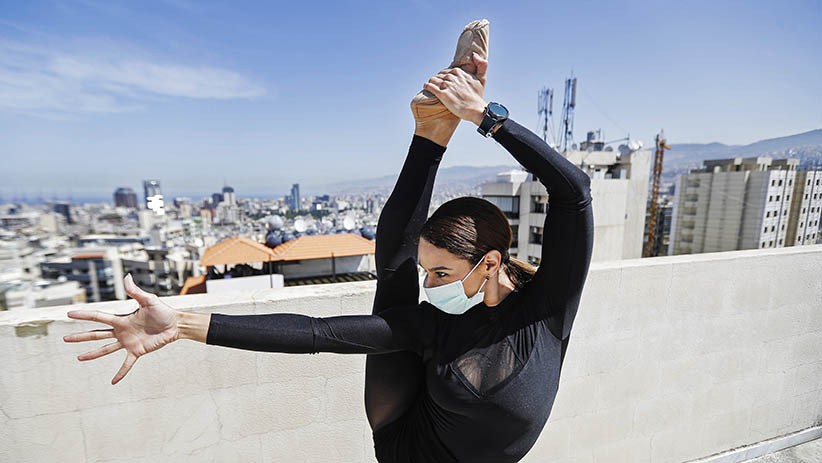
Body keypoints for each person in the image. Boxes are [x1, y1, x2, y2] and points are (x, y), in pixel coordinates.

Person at [64, 34, 594, 463]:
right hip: (407, 445)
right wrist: (181, 324)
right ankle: (431, 132)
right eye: (429, 273)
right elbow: (319, 334)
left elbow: (574, 191)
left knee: (396, 278)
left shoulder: (547, 308)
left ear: (490, 263)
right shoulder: (435, 326)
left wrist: (486, 117)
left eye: (440, 274)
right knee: (394, 279)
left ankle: (438, 126)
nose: (431, 288)